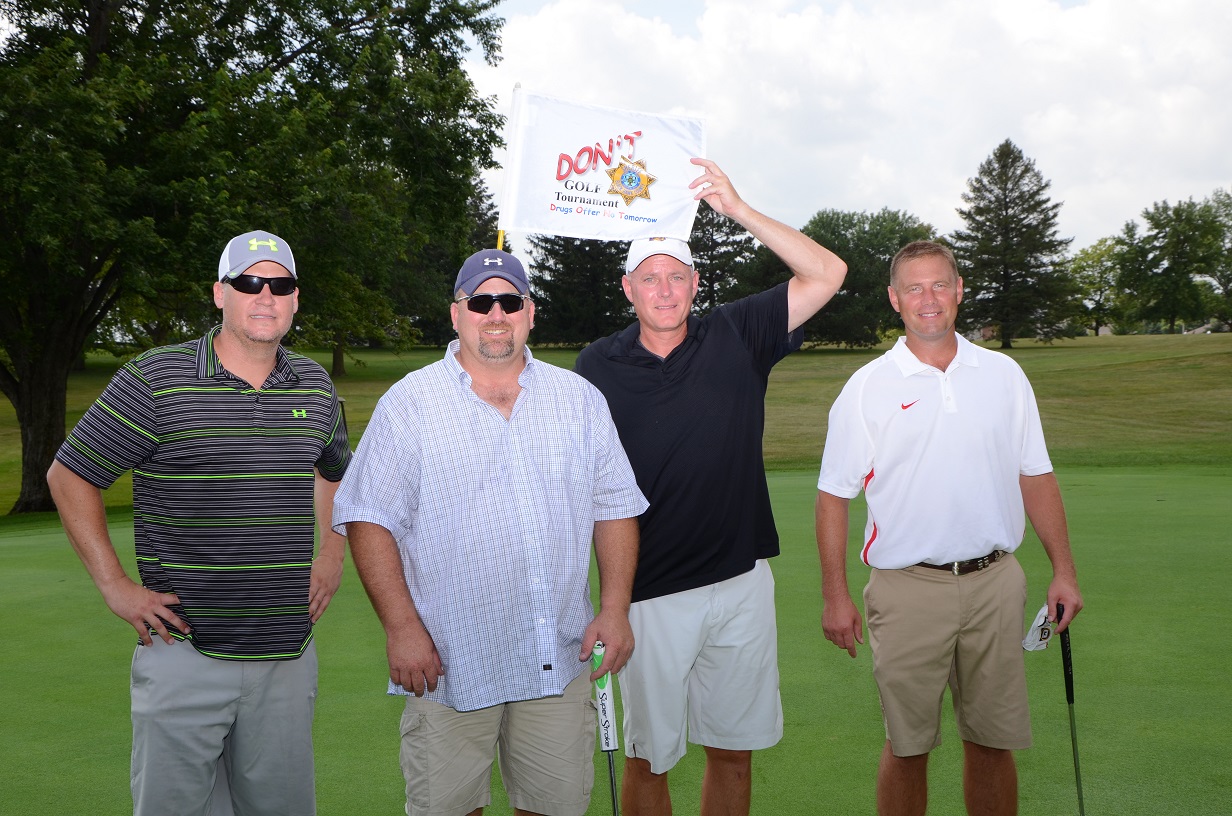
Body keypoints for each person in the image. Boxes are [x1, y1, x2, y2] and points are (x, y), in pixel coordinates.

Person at [573, 158, 848, 816]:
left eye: (676, 277)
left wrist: (740, 210)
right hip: (648, 595)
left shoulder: (736, 333)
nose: (664, 290)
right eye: (650, 279)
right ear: (627, 288)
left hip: (739, 583)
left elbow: (828, 273)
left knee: (733, 751)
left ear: (695, 284)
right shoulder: (596, 365)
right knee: (649, 760)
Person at [332, 248, 647, 816]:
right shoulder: (409, 403)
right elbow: (368, 518)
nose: (495, 313)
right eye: (481, 301)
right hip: (449, 664)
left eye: (509, 301)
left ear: (530, 312)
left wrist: (616, 606)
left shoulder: (579, 400)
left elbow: (615, 506)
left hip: (558, 658)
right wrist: (402, 627)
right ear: (457, 314)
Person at [47, 229, 351, 816]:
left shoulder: (313, 385)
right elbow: (71, 475)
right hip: (184, 649)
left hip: (285, 654)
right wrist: (114, 586)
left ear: (295, 299)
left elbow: (336, 473)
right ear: (220, 293)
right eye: (248, 283)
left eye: (279, 284)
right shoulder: (157, 378)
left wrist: (331, 553)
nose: (264, 296)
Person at [815, 240, 1084, 816]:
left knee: (993, 741)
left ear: (959, 290)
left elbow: (1035, 474)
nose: (928, 298)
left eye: (940, 284)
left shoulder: (1004, 375)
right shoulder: (868, 387)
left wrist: (1064, 571)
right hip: (907, 588)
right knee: (908, 747)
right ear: (894, 299)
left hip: (995, 584)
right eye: (914, 287)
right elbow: (833, 495)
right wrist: (835, 596)